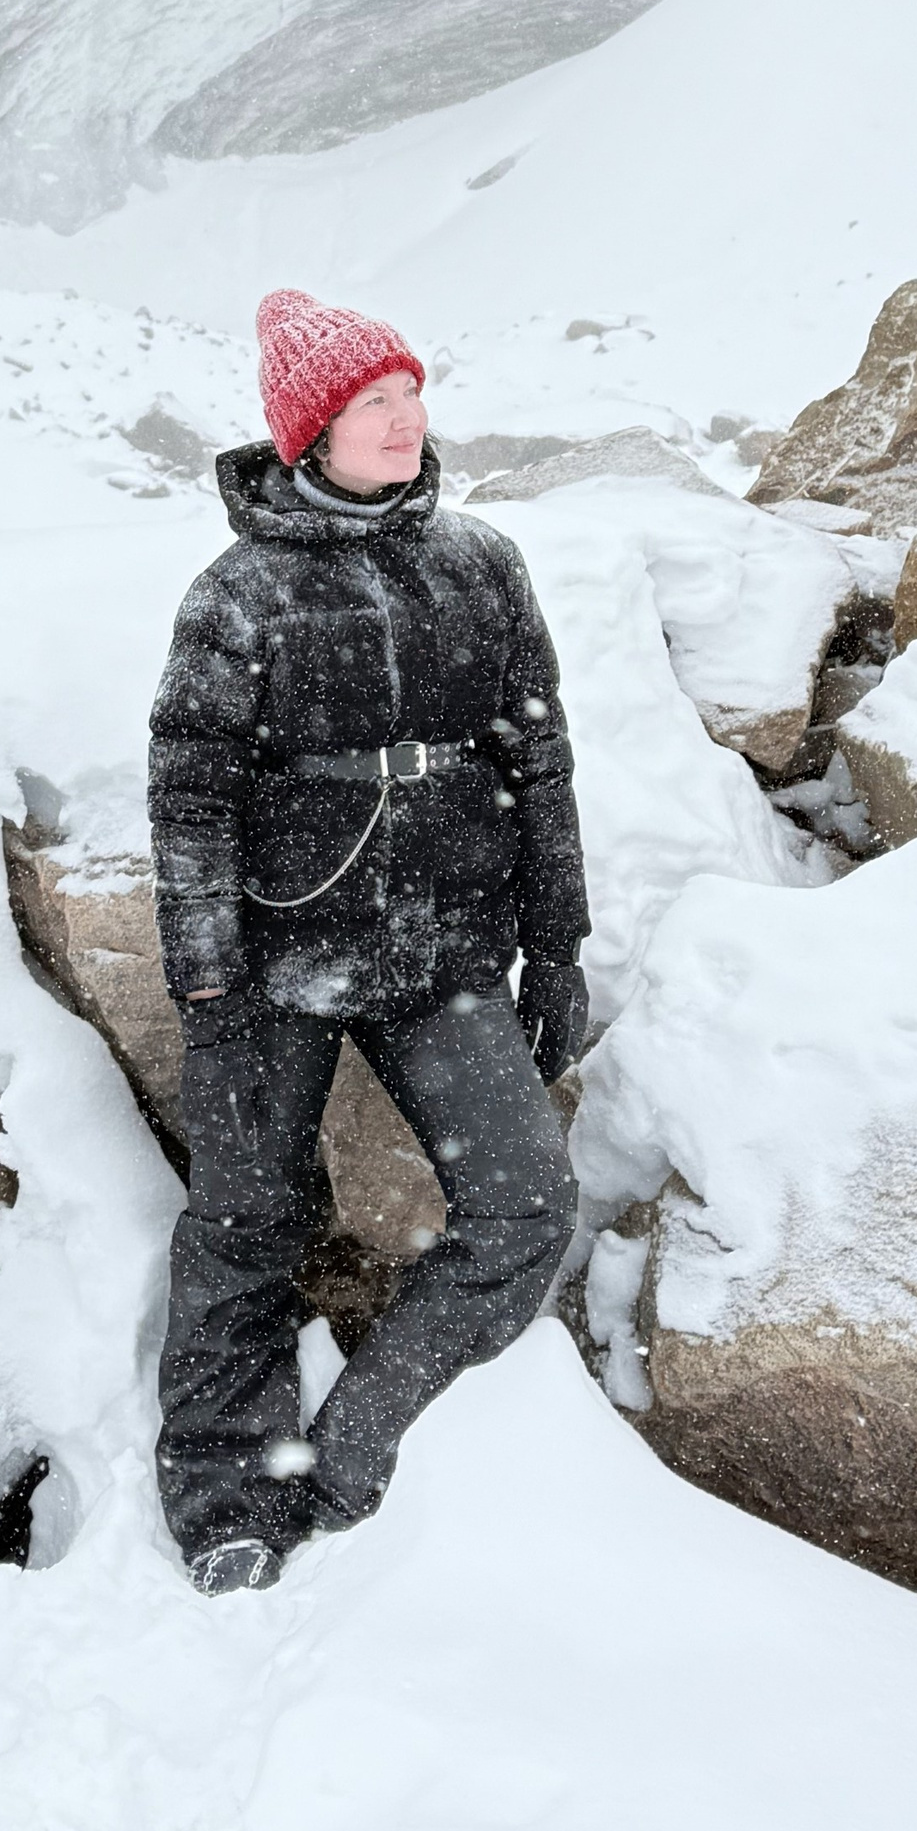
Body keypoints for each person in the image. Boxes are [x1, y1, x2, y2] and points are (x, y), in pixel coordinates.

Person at [148, 287, 590, 1594]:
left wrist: (558, 945)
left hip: (441, 955)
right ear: (310, 433)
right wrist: (210, 984)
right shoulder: (237, 594)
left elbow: (539, 762)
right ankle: (227, 1493)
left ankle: (349, 1448)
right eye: (371, 404)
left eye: (411, 395)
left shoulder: (482, 565)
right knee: (246, 1220)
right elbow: (190, 798)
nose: (405, 422)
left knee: (527, 1204)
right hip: (276, 965)